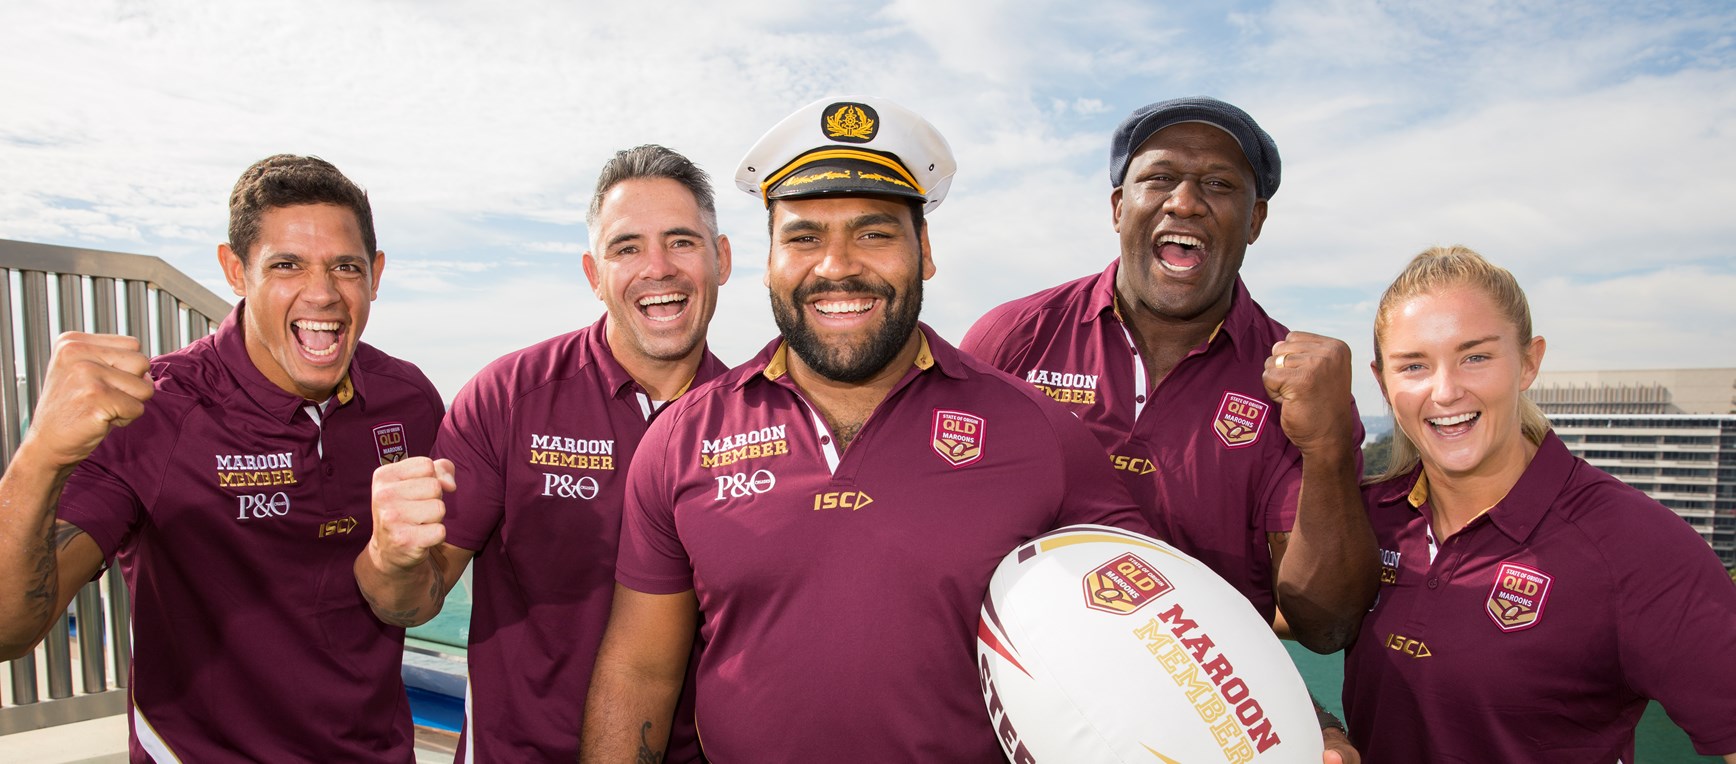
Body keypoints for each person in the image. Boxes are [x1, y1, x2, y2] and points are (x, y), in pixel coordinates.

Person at [578, 96, 1151, 762]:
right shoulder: (681, 439)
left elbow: (1156, 637)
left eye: (874, 234)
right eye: (803, 238)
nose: (837, 266)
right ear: (768, 261)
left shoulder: (1040, 433)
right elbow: (640, 673)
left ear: (924, 251)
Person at [0, 155, 443, 761]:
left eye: (346, 267)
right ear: (236, 270)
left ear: (376, 274)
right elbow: (9, 630)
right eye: (286, 264)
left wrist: (395, 563)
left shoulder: (408, 400)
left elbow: (414, 603)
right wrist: (39, 457)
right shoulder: (155, 410)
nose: (322, 293)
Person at [354, 145, 731, 762]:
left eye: (682, 241)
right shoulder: (507, 398)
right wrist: (389, 555)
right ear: (593, 274)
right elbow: (412, 603)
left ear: (723, 260)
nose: (657, 267)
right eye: (626, 248)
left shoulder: (759, 422)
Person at [961, 96, 1377, 655]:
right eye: (1159, 178)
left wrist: (1326, 449)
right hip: (1013, 680)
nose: (1184, 202)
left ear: (1255, 221)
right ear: (1118, 208)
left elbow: (1326, 626)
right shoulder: (1012, 338)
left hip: (1200, 698)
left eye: (1219, 184)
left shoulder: (1298, 386)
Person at [1336, 246, 1736, 762]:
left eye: (1475, 357)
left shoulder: (1635, 544)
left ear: (1529, 362)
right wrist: (1323, 727)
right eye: (1413, 365)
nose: (1446, 391)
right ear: (1382, 382)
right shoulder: (1366, 518)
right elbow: (1258, 620)